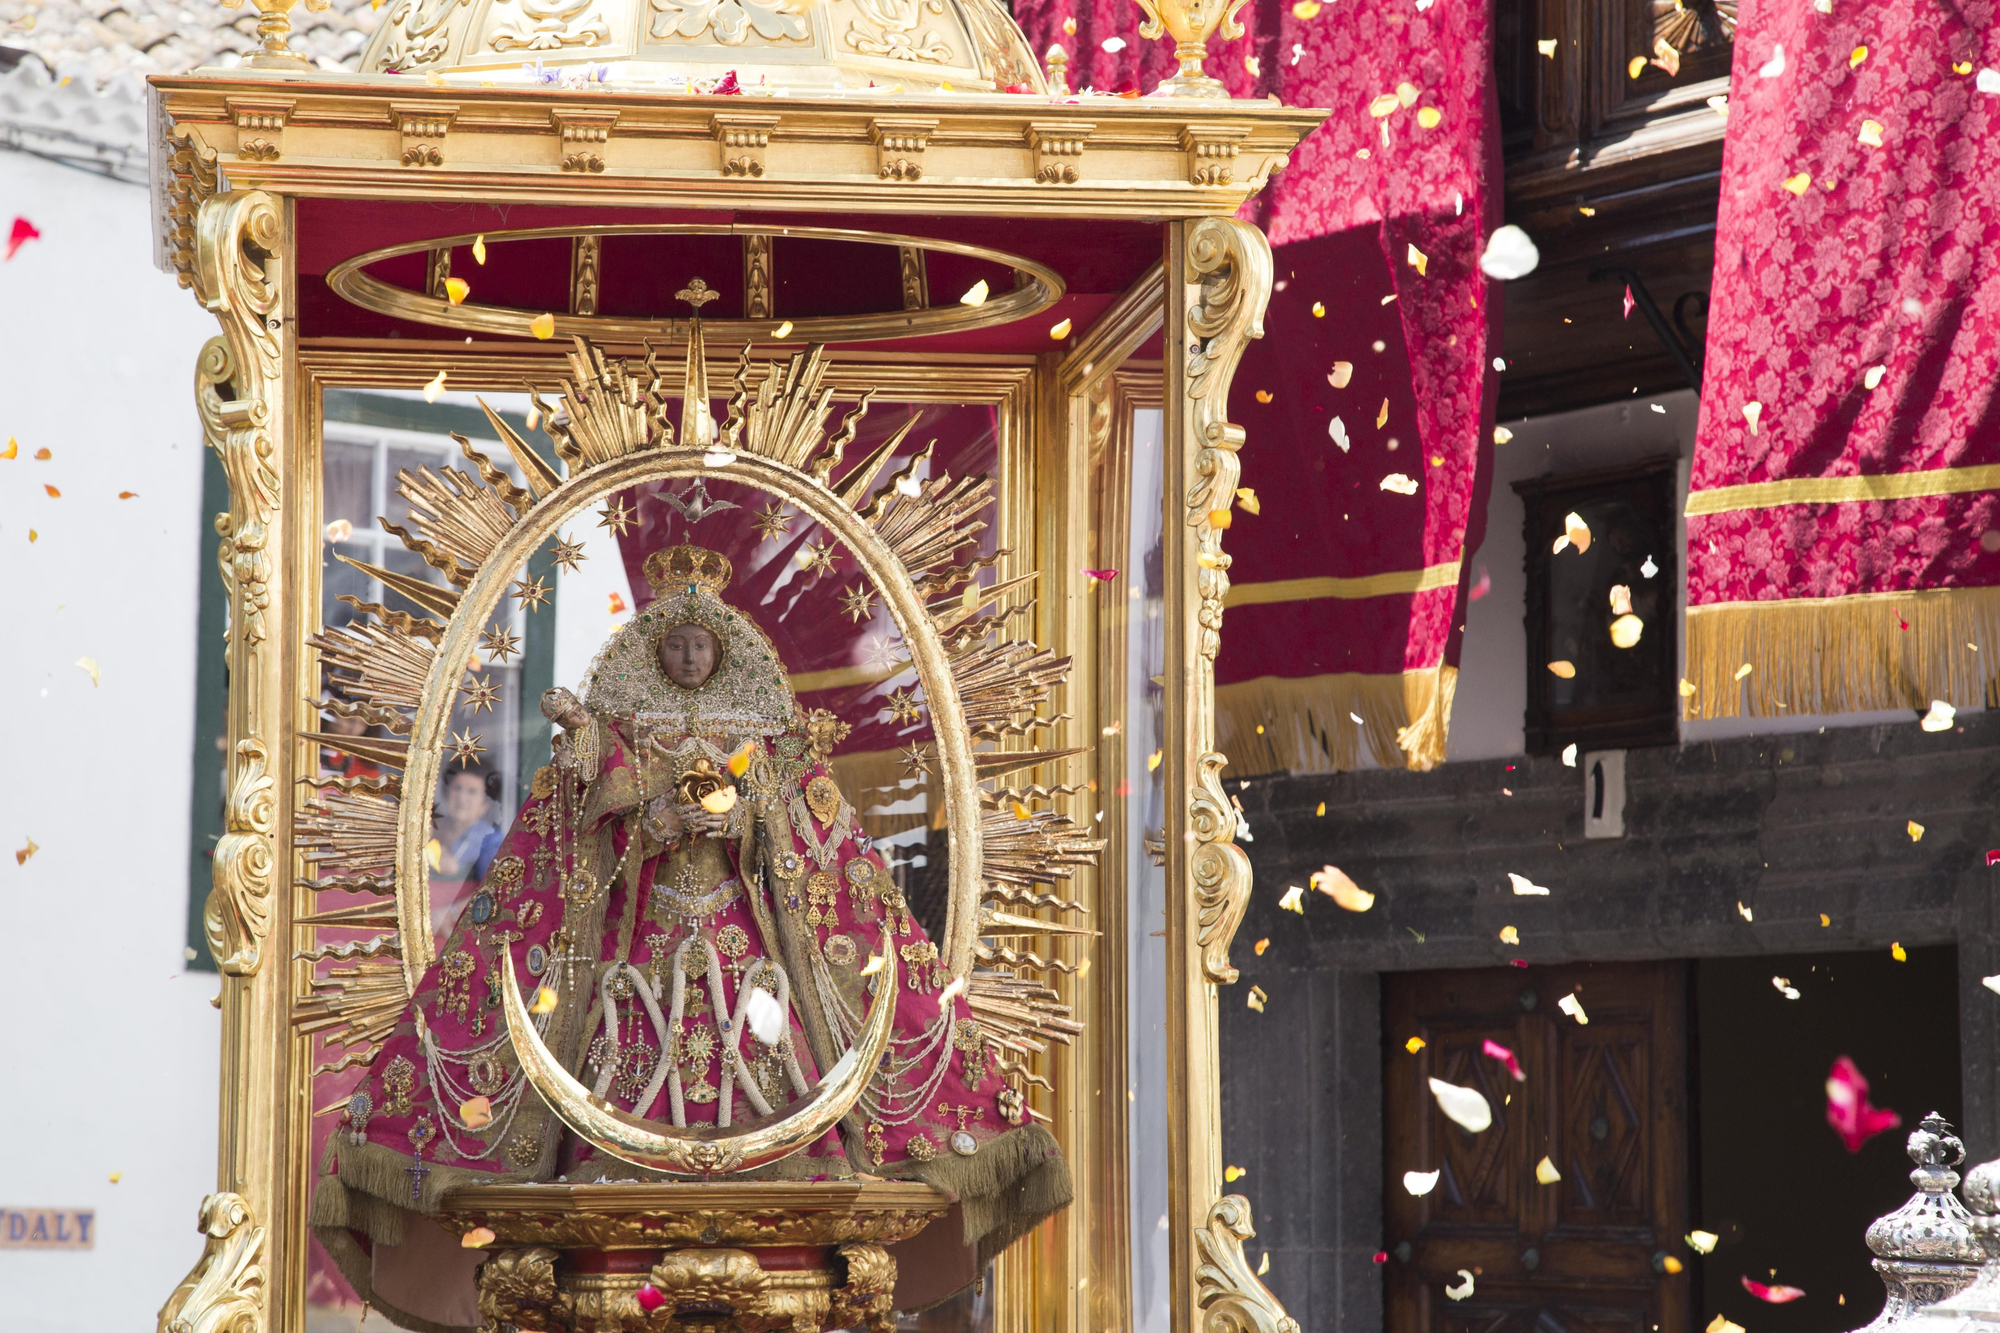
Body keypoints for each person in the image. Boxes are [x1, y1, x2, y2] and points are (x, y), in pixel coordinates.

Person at [310, 544, 1068, 1330]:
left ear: (723, 651)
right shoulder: (625, 729)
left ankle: (777, 1158)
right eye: (675, 644)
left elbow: (806, 838)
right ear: (655, 650)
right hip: (647, 937)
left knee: (766, 1037)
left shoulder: (760, 733)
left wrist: (745, 822)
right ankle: (618, 1162)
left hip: (745, 944)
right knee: (624, 1034)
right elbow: (589, 821)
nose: (689, 657)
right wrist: (650, 816)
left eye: (701, 645)